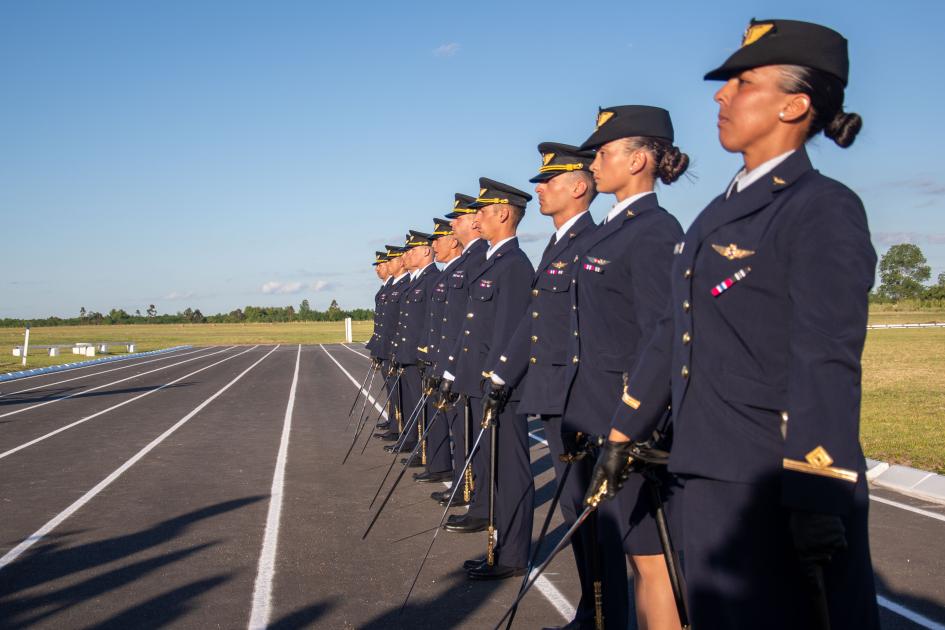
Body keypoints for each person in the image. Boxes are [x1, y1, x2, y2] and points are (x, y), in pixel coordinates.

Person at [589, 19, 880, 630]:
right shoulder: (718, 213)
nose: (721, 96)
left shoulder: (821, 208)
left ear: (795, 105)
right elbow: (672, 332)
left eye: (743, 82)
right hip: (706, 471)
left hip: (770, 486)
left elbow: (825, 358)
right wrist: (623, 433)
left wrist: (819, 492)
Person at [564, 105, 689, 630]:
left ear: (639, 160)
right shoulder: (608, 231)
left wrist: (637, 425)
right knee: (635, 558)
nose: (594, 162)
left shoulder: (655, 230)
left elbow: (659, 338)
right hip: (599, 416)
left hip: (630, 423)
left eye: (605, 152)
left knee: (652, 561)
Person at [482, 142, 600, 616]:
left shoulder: (590, 242)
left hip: (581, 399)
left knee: (592, 522)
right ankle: (591, 614)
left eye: (548, 180)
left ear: (577, 186)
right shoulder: (557, 245)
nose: (539, 187)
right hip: (555, 397)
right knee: (576, 516)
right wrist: (500, 373)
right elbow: (535, 320)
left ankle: (600, 614)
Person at [436, 178, 535, 580]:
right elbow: (474, 328)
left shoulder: (513, 265)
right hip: (483, 382)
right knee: (495, 470)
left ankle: (511, 555)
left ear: (503, 214)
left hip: (502, 387)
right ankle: (498, 549)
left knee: (510, 473)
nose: (476, 219)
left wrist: (498, 379)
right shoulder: (495, 262)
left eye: (483, 211)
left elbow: (513, 332)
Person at [428, 194, 489, 509]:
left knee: (469, 436)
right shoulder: (465, 264)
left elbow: (471, 324)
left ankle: (473, 496)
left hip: (468, 366)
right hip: (453, 363)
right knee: (462, 433)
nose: (454, 224)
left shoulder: (477, 261)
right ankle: (469, 493)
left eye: (458, 219)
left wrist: (453, 367)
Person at [414, 218, 465, 483]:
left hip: (453, 363)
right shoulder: (445, 275)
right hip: (437, 359)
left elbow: (459, 324)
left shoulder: (456, 272)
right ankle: (445, 469)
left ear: (453, 240)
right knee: (442, 420)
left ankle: (465, 486)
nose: (434, 245)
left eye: (438, 239)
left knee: (460, 430)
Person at [387, 231, 439, 456]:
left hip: (420, 354)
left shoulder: (431, 279)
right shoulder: (416, 281)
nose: (406, 255)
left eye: (411, 250)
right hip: (408, 353)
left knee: (425, 407)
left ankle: (429, 453)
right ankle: (420, 447)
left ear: (426, 251)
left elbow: (430, 320)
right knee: (413, 404)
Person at [373, 245, 409, 441]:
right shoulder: (390, 288)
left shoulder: (403, 286)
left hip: (397, 350)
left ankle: (399, 428)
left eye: (384, 263)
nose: (379, 268)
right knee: (393, 391)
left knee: (402, 394)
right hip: (388, 348)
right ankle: (395, 424)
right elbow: (381, 322)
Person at [365, 251, 391, 371]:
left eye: (380, 265)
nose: (376, 269)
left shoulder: (393, 288)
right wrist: (375, 348)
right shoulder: (383, 288)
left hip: (390, 349)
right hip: (382, 348)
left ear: (388, 264)